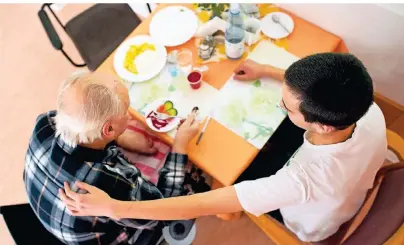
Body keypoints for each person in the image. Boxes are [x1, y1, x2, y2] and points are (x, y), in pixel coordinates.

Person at [59, 53, 387, 242]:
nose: (282, 107)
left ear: (322, 124)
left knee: (230, 172)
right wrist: (267, 71)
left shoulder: (299, 181)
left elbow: (197, 204)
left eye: (287, 106)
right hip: (354, 177)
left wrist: (114, 208)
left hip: (312, 223)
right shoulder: (367, 108)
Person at [23, 71, 200, 245]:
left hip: (51, 213)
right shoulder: (111, 182)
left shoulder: (45, 122)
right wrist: (180, 145)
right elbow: (163, 210)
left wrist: (121, 137)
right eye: (125, 110)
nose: (130, 116)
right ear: (108, 130)